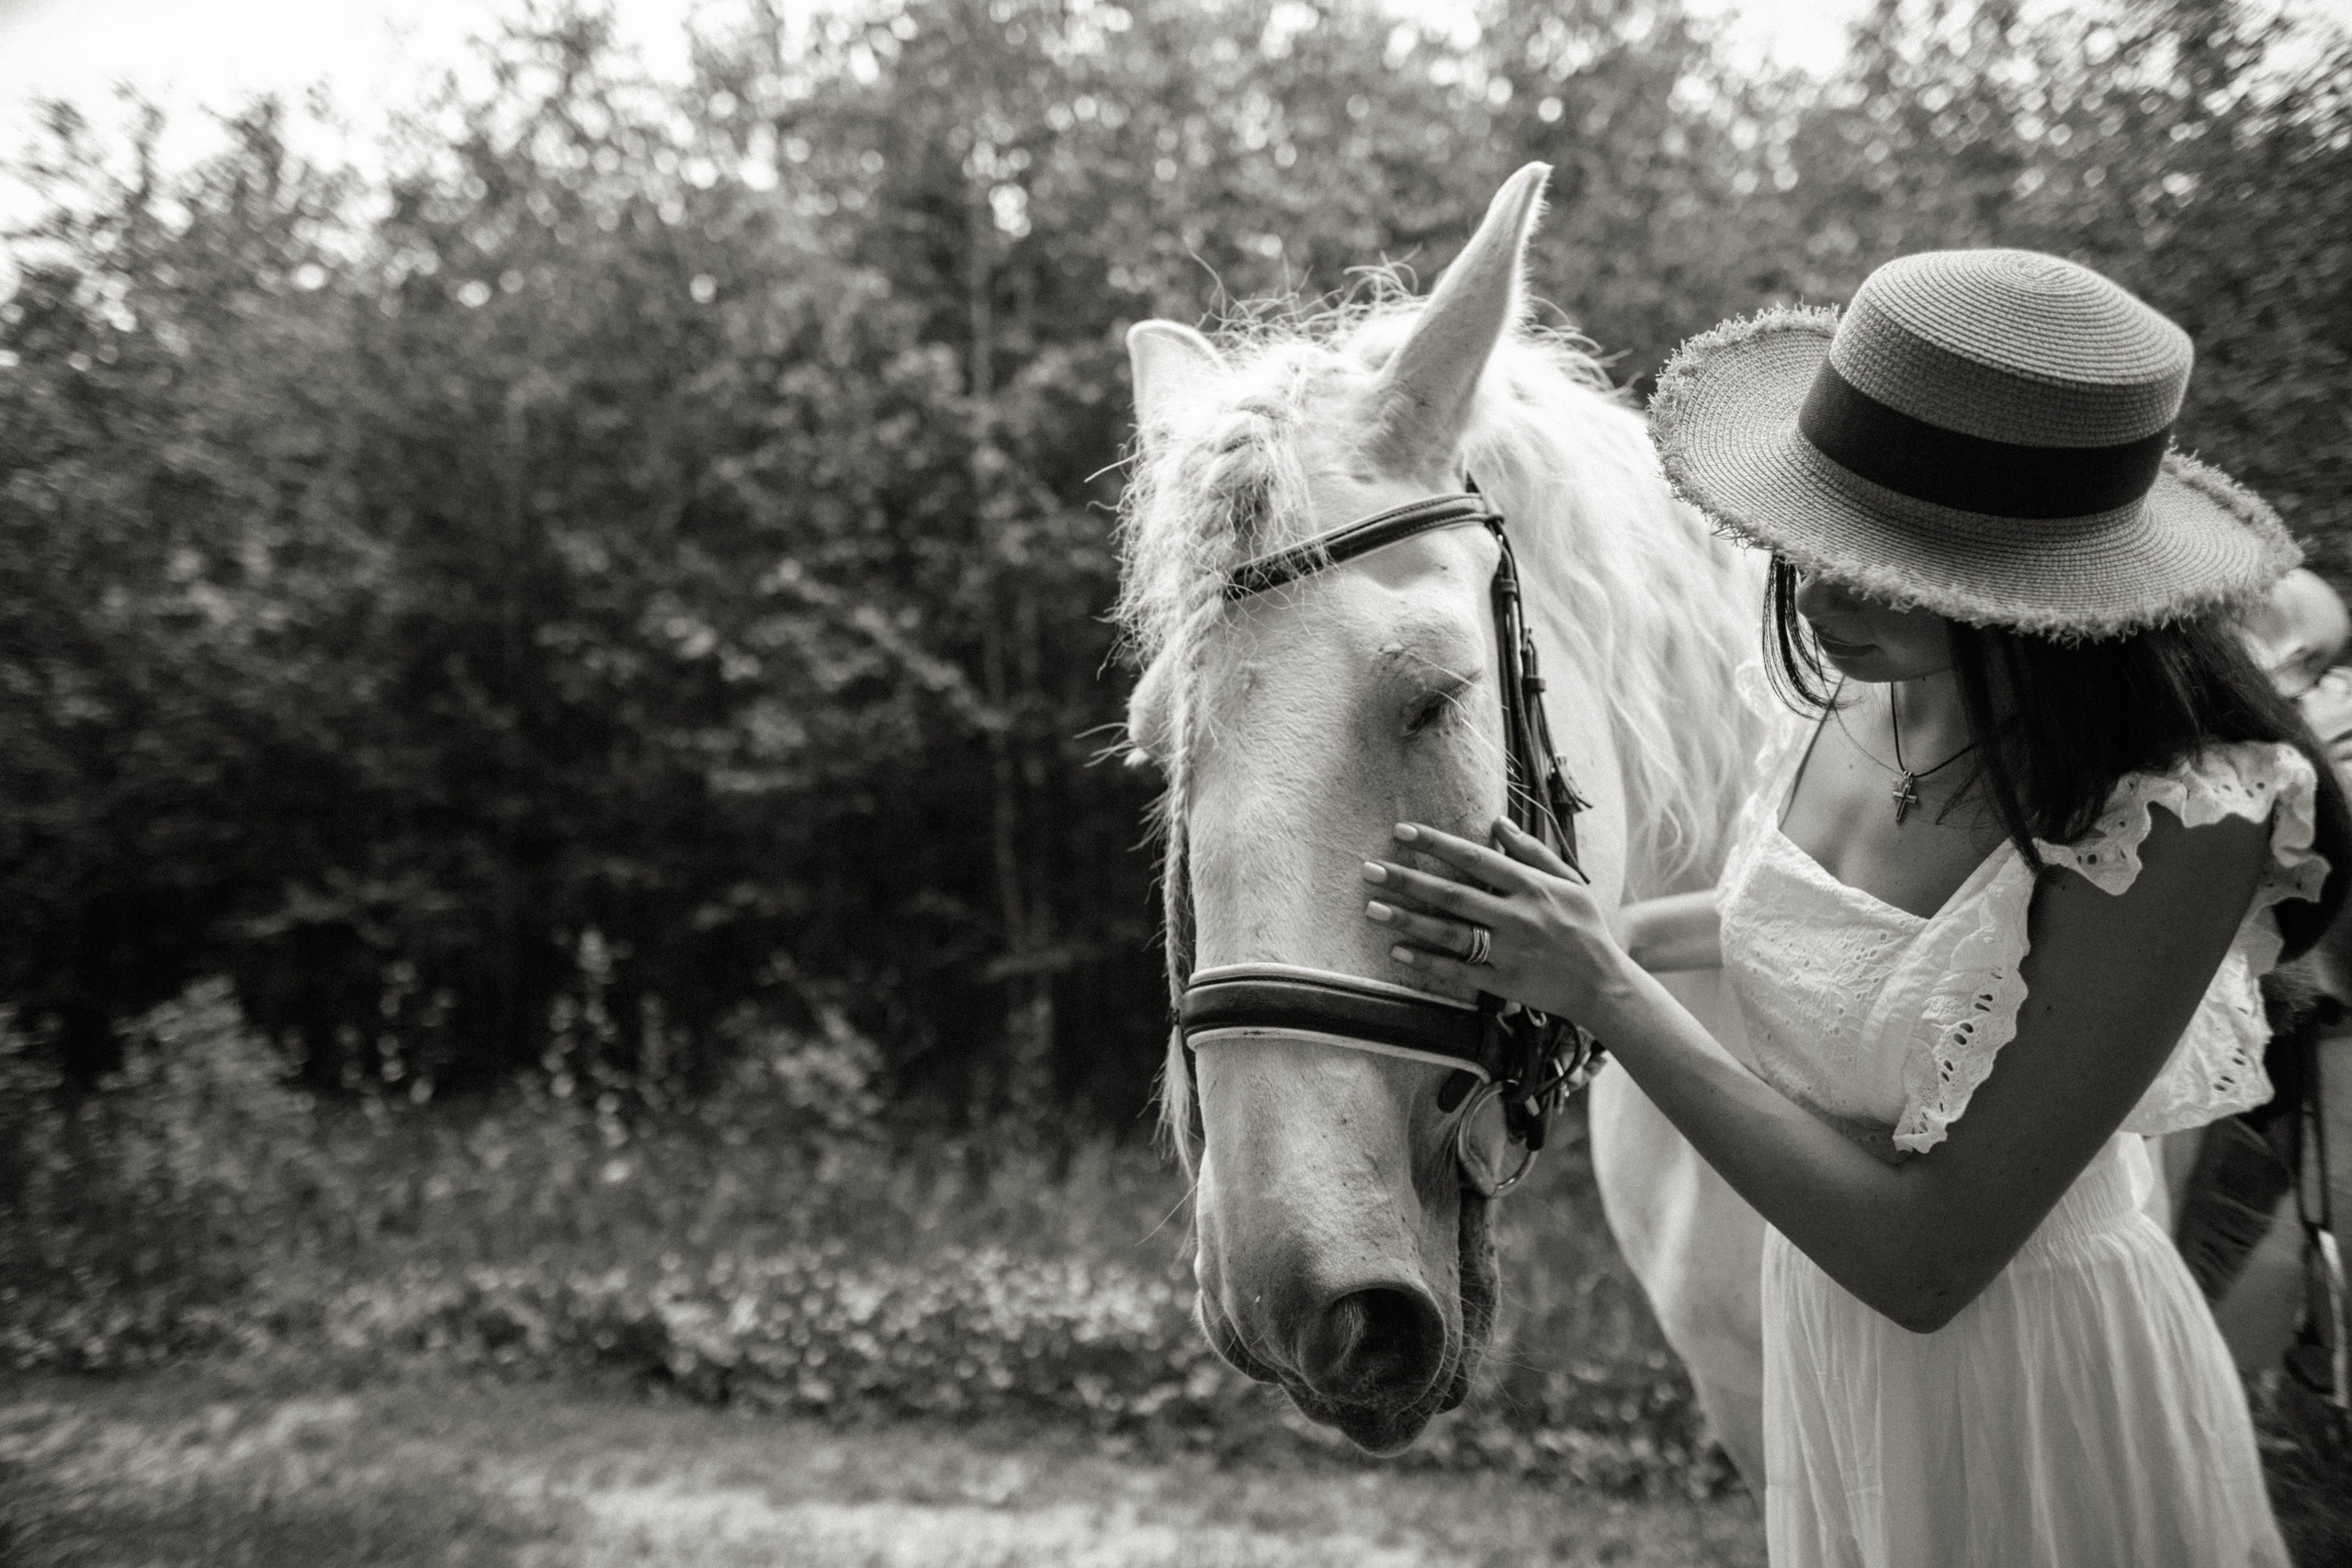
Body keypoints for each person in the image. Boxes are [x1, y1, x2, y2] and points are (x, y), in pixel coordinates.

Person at [1357, 250, 2351, 1566]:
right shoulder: (1848, 692)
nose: (1820, 595)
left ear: (2043, 584)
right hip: (1830, 1379)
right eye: (1813, 537)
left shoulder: (2183, 820)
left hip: (2040, 1400)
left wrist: (1604, 989)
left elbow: (1925, 1261)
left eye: (1885, 563)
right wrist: (1543, 932)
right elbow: (1834, 934)